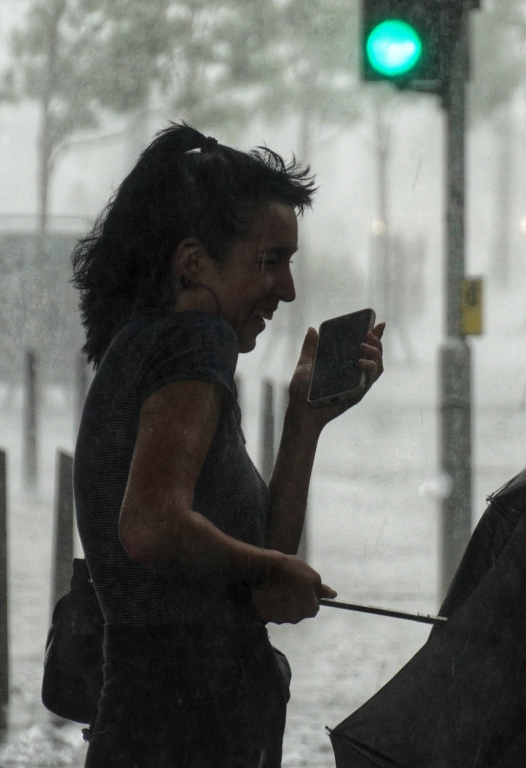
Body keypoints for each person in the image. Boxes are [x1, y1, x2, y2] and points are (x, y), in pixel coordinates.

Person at [71, 123, 384, 767]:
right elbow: (153, 526)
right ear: (193, 264)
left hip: (161, 721)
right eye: (269, 262)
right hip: (189, 725)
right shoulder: (193, 343)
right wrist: (272, 572)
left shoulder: (151, 345)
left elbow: (260, 559)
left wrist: (305, 421)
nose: (288, 289)